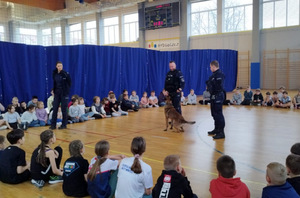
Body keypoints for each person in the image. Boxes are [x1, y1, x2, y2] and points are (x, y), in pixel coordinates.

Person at [206, 60, 226, 139]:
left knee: (218, 114)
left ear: (214, 66)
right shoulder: (214, 75)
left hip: (218, 96)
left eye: (210, 67)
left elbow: (218, 86)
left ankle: (221, 132)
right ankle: (216, 129)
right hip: (213, 96)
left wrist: (210, 85)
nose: (210, 68)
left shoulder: (219, 75)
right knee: (214, 114)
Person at [50, 61, 71, 130]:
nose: (60, 67)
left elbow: (69, 83)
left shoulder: (65, 74)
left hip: (64, 93)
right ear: (56, 66)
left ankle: (64, 124)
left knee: (64, 109)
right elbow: (55, 83)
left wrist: (66, 90)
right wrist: (54, 89)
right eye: (58, 66)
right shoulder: (54, 73)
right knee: (55, 108)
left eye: (61, 66)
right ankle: (53, 125)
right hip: (57, 93)